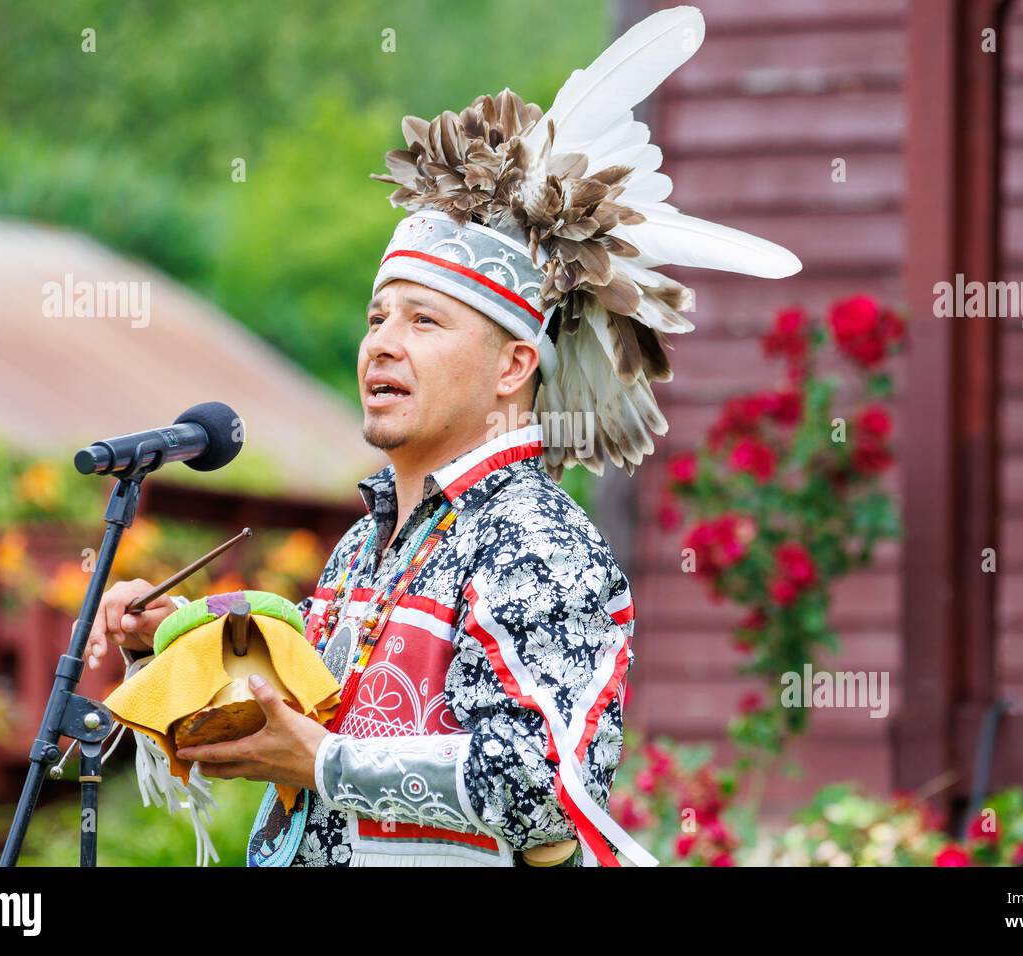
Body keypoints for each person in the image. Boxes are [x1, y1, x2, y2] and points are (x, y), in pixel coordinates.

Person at [85, 4, 798, 867]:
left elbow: (545, 787)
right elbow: (319, 693)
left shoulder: (536, 541)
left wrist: (321, 762)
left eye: (425, 321)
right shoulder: (364, 545)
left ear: (511, 367)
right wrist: (183, 630)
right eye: (377, 316)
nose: (382, 341)